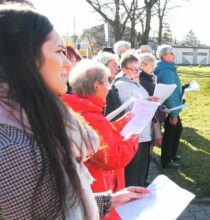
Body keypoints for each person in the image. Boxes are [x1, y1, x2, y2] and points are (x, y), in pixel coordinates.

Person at [0, 3, 149, 219]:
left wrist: (110, 200)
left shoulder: (36, 120)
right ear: (25, 58)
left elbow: (56, 207)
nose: (69, 64)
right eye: (60, 51)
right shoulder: (16, 149)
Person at [61, 60, 140, 219]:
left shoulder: (77, 108)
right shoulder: (91, 115)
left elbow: (101, 137)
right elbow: (112, 157)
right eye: (107, 83)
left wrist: (121, 123)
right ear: (96, 85)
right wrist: (132, 141)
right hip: (100, 191)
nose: (109, 88)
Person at [115, 53, 159, 186]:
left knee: (141, 171)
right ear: (123, 69)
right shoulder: (121, 85)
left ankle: (139, 200)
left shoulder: (136, 83)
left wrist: (149, 101)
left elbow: (142, 99)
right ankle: (130, 203)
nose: (136, 72)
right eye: (133, 69)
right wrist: (146, 102)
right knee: (132, 174)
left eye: (138, 69)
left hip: (145, 132)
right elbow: (126, 109)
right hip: (133, 134)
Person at [138, 53, 168, 185]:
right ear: (142, 65)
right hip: (146, 122)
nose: (153, 68)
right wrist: (160, 110)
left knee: (148, 155)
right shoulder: (141, 80)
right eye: (152, 65)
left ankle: (143, 180)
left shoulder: (149, 78)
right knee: (143, 156)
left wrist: (162, 107)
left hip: (152, 119)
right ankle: (140, 181)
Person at [155, 45, 184, 168]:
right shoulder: (167, 71)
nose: (174, 55)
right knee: (170, 133)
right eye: (171, 53)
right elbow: (170, 94)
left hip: (172, 107)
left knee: (177, 129)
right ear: (164, 56)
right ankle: (166, 160)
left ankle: (172, 154)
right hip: (170, 108)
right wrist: (173, 114)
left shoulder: (168, 68)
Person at [93, 52, 123, 120]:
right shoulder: (97, 86)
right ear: (104, 67)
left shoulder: (111, 84)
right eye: (114, 65)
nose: (117, 69)